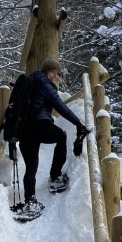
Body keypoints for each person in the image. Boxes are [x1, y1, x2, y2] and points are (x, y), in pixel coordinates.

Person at [18, 56, 88, 219]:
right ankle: (55, 176)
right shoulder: (44, 84)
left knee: (31, 168)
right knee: (61, 136)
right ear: (47, 72)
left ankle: (30, 202)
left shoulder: (32, 82)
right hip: (39, 124)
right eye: (54, 72)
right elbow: (61, 107)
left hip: (24, 129)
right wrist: (79, 124)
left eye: (58, 73)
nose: (57, 76)